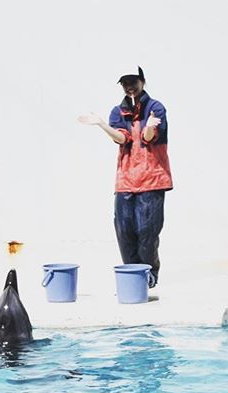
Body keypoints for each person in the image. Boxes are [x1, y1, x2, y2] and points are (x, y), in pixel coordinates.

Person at [78, 66, 173, 287]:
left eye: (133, 81)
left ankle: (149, 276)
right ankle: (132, 279)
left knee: (147, 232)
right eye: (125, 83)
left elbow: (150, 138)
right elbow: (122, 139)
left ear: (143, 81)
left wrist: (149, 127)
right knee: (125, 232)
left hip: (152, 179)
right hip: (126, 181)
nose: (130, 86)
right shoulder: (117, 111)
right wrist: (101, 124)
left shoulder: (156, 107)